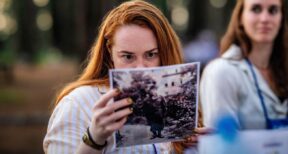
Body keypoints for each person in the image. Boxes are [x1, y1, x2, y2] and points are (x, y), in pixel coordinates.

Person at [43, 1, 206, 153]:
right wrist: (94, 139)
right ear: (110, 54)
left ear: (163, 53)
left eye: (151, 55)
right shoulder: (79, 103)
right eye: (128, 57)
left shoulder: (175, 101)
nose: (140, 67)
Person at [200, 0, 288, 130]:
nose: (265, 18)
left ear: (281, 19)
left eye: (273, 10)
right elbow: (223, 145)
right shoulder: (222, 72)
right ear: (240, 17)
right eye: (256, 9)